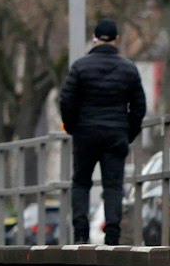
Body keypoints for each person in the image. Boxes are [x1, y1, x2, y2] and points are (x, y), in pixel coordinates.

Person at [56, 18, 147, 245]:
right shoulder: (128, 69)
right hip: (116, 135)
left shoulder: (80, 67)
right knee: (113, 185)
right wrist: (128, 133)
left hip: (85, 134)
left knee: (81, 182)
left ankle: (80, 234)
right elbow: (139, 106)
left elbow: (66, 101)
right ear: (116, 39)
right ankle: (112, 234)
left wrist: (72, 127)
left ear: (94, 38)